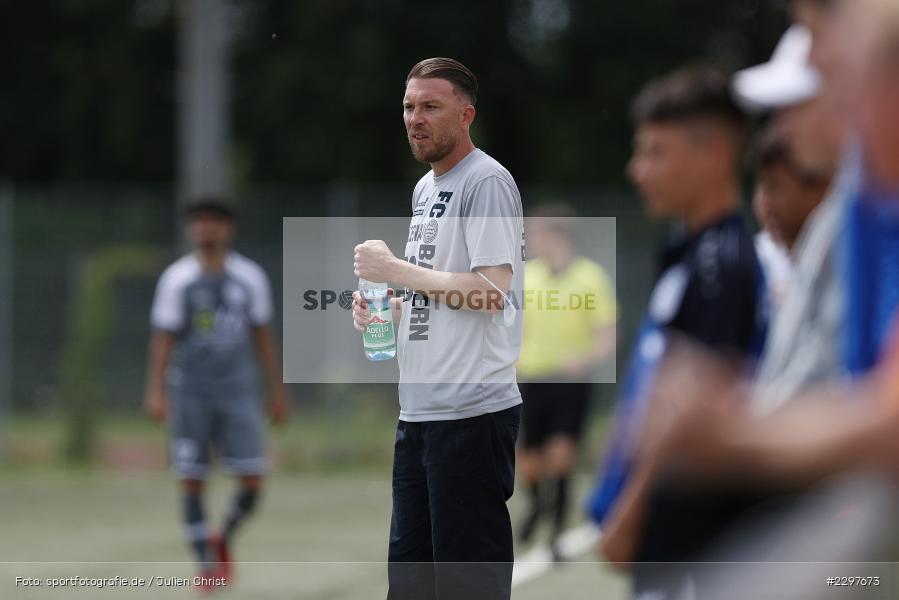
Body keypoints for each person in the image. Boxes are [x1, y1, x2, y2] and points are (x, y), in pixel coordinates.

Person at [350, 57, 525, 600]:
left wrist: (393, 270)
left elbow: (490, 292)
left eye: (430, 106)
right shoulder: (426, 188)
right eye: (408, 106)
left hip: (471, 415)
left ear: (465, 115)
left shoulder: (487, 181)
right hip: (420, 414)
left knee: (469, 586)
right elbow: (440, 291)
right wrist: (391, 308)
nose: (414, 118)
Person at [587, 66, 767, 592]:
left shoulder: (722, 265)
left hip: (685, 543)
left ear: (712, 154)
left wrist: (629, 514)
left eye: (655, 152)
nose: (637, 169)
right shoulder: (693, 253)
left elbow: (701, 414)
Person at [143, 199, 289, 591]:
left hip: (237, 391)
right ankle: (208, 568)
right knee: (191, 478)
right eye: (200, 222)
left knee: (253, 479)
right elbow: (163, 339)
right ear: (193, 230)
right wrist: (155, 391)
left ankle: (221, 535)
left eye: (215, 222)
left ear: (228, 229)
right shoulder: (177, 279)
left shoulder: (249, 278)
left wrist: (277, 390)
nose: (207, 229)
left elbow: (262, 336)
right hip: (190, 393)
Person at [515, 203, 617, 560]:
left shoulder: (591, 278)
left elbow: (607, 334)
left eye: (539, 233)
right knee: (528, 459)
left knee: (560, 456)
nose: (534, 240)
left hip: (570, 383)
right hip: (531, 379)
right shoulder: (527, 277)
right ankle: (536, 508)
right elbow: (511, 328)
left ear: (558, 236)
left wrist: (586, 358)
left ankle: (557, 529)